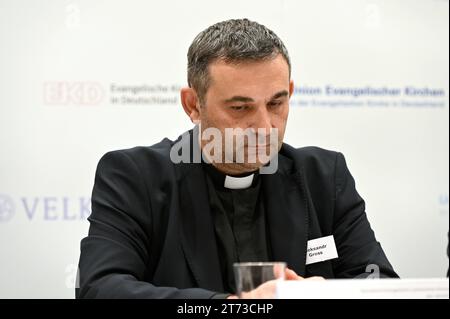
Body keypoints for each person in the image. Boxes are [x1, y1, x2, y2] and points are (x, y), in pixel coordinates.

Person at [76, 18, 398, 299]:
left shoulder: (324, 177)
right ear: (193, 104)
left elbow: (380, 282)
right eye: (240, 108)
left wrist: (323, 295)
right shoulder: (135, 177)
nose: (263, 127)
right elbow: (101, 288)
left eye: (276, 104)